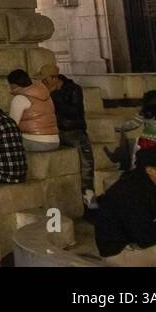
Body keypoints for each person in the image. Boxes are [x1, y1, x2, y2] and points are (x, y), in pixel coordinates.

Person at [95, 146, 156, 266]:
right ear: (150, 170)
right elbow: (144, 238)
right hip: (120, 252)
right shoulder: (130, 190)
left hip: (136, 242)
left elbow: (153, 210)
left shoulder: (143, 183)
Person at [39, 63, 96, 209]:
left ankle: (88, 192)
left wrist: (54, 96)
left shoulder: (73, 89)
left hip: (73, 130)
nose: (44, 83)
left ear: (54, 77)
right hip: (54, 130)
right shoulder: (46, 91)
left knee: (85, 156)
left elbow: (74, 112)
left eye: (46, 80)